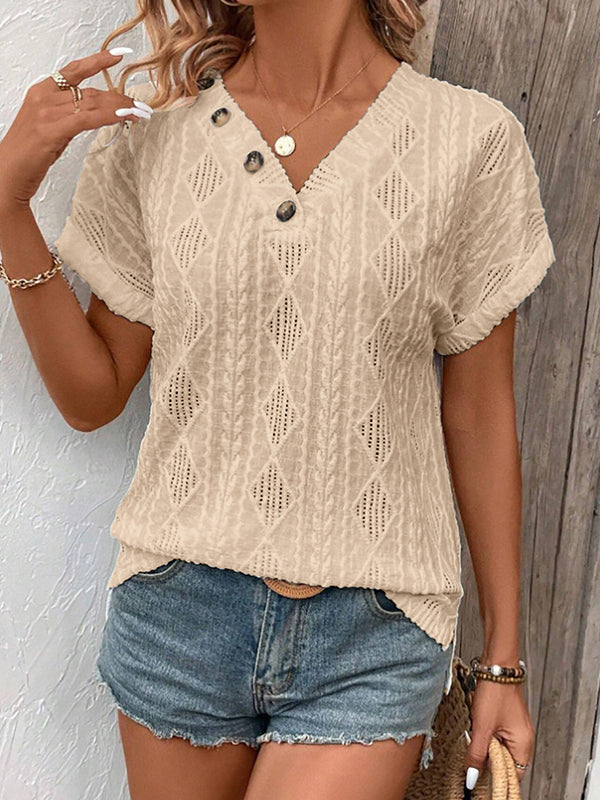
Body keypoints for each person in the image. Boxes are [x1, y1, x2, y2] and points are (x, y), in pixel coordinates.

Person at [0, 0, 556, 798]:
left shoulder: (471, 140)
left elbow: (479, 414)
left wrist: (503, 658)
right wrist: (8, 207)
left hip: (373, 634)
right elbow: (92, 395)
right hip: (177, 617)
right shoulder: (154, 136)